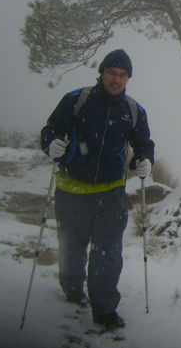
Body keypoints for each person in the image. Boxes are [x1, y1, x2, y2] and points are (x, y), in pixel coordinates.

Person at [41, 49, 154, 330]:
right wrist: (51, 144)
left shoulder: (133, 110)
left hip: (111, 193)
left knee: (108, 252)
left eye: (122, 75)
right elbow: (51, 129)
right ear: (102, 73)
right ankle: (72, 289)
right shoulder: (76, 100)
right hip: (72, 191)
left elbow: (143, 143)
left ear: (128, 78)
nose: (116, 79)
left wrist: (144, 160)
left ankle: (104, 309)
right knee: (72, 248)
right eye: (112, 73)